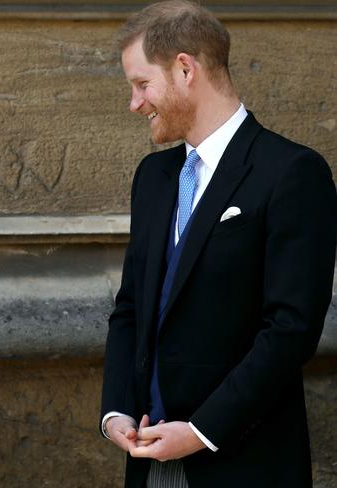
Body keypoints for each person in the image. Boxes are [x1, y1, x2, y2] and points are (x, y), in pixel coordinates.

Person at [100, 1, 336, 487]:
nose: (135, 103)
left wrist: (202, 431)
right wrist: (116, 412)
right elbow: (130, 309)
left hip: (244, 463)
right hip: (148, 464)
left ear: (185, 68)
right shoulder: (153, 177)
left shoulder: (291, 173)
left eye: (142, 84)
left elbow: (291, 329)